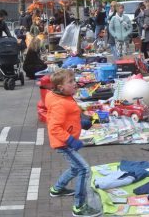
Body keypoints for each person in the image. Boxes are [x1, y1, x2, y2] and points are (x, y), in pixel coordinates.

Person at [45, 69, 101, 217]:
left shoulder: (63, 96)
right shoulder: (60, 103)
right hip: (63, 143)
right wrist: (70, 140)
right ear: (60, 87)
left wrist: (83, 122)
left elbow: (70, 115)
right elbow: (54, 127)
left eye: (73, 80)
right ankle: (79, 206)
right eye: (70, 82)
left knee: (76, 168)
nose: (74, 83)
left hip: (65, 140)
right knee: (84, 169)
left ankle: (57, 189)